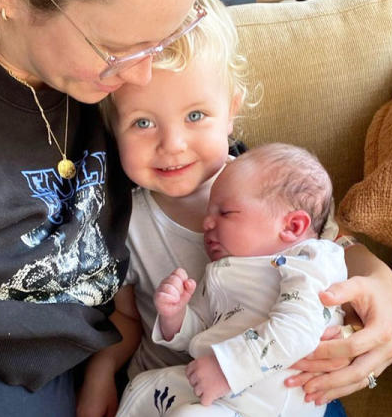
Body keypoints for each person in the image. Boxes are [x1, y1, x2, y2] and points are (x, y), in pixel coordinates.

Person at [0, 0, 392, 415]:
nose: (144, 73)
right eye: (116, 49)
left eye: (161, 39)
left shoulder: (127, 84)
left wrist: (377, 280)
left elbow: (282, 212)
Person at [116, 144, 347, 417]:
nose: (206, 224)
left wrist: (228, 369)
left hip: (267, 401)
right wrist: (174, 317)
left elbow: (297, 330)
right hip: (221, 394)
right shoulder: (222, 272)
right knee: (142, 389)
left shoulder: (309, 260)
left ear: (292, 226)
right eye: (208, 213)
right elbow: (199, 334)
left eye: (225, 213)